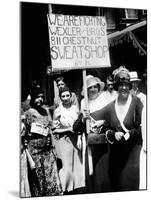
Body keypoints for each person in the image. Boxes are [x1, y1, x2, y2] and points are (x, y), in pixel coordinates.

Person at [91, 66, 143, 192]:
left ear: (130, 86)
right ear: (116, 87)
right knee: (116, 187)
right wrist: (84, 117)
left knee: (129, 185)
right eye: (120, 85)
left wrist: (131, 133)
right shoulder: (111, 106)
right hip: (116, 157)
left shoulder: (137, 103)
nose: (123, 88)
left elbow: (144, 128)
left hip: (133, 154)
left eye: (126, 85)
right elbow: (93, 117)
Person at [21, 86, 62, 197]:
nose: (40, 99)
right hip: (35, 153)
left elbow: (50, 126)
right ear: (33, 98)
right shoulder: (27, 113)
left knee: (50, 178)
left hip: (47, 151)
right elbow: (23, 132)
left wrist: (52, 126)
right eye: (37, 97)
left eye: (42, 97)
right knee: (38, 181)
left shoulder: (45, 111)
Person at [74, 75, 110, 193]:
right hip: (90, 143)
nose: (93, 89)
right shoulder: (84, 103)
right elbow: (76, 127)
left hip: (104, 143)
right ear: (86, 90)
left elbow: (113, 121)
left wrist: (103, 122)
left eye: (96, 86)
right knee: (91, 174)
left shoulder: (105, 100)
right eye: (90, 87)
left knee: (102, 174)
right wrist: (83, 119)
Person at [52, 86, 85, 194]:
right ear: (60, 98)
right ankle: (68, 190)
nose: (65, 98)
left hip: (76, 139)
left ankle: (78, 188)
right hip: (64, 139)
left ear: (71, 96)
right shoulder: (57, 111)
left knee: (78, 163)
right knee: (67, 166)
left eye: (67, 95)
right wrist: (67, 129)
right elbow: (54, 129)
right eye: (63, 96)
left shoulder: (76, 108)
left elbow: (79, 123)